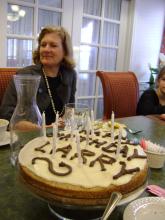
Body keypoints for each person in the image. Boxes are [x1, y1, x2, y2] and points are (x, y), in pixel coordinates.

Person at [0, 26, 77, 125]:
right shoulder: (24, 75)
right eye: (43, 45)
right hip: (30, 136)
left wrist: (66, 119)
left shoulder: (70, 74)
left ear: (65, 51)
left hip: (59, 136)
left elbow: (70, 107)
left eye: (53, 45)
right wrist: (36, 128)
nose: (46, 49)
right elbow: (6, 114)